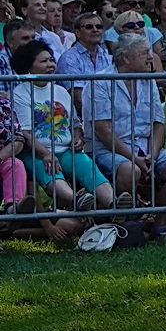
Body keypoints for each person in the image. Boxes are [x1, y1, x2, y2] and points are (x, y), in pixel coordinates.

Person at [90, 33, 166, 232]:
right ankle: (124, 224)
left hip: (145, 148)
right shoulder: (101, 82)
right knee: (130, 169)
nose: (151, 57)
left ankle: (159, 226)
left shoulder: (148, 81)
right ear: (127, 58)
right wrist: (134, 158)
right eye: (144, 52)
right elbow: (103, 131)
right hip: (108, 149)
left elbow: (158, 123)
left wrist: (152, 155)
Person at [9, 39, 115, 222]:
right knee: (51, 171)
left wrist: (78, 137)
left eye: (51, 60)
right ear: (28, 66)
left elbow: (74, 122)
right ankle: (77, 201)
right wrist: (46, 153)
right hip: (35, 152)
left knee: (88, 166)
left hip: (65, 149)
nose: (50, 64)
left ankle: (115, 206)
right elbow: (25, 132)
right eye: (43, 61)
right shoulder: (20, 92)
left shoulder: (60, 90)